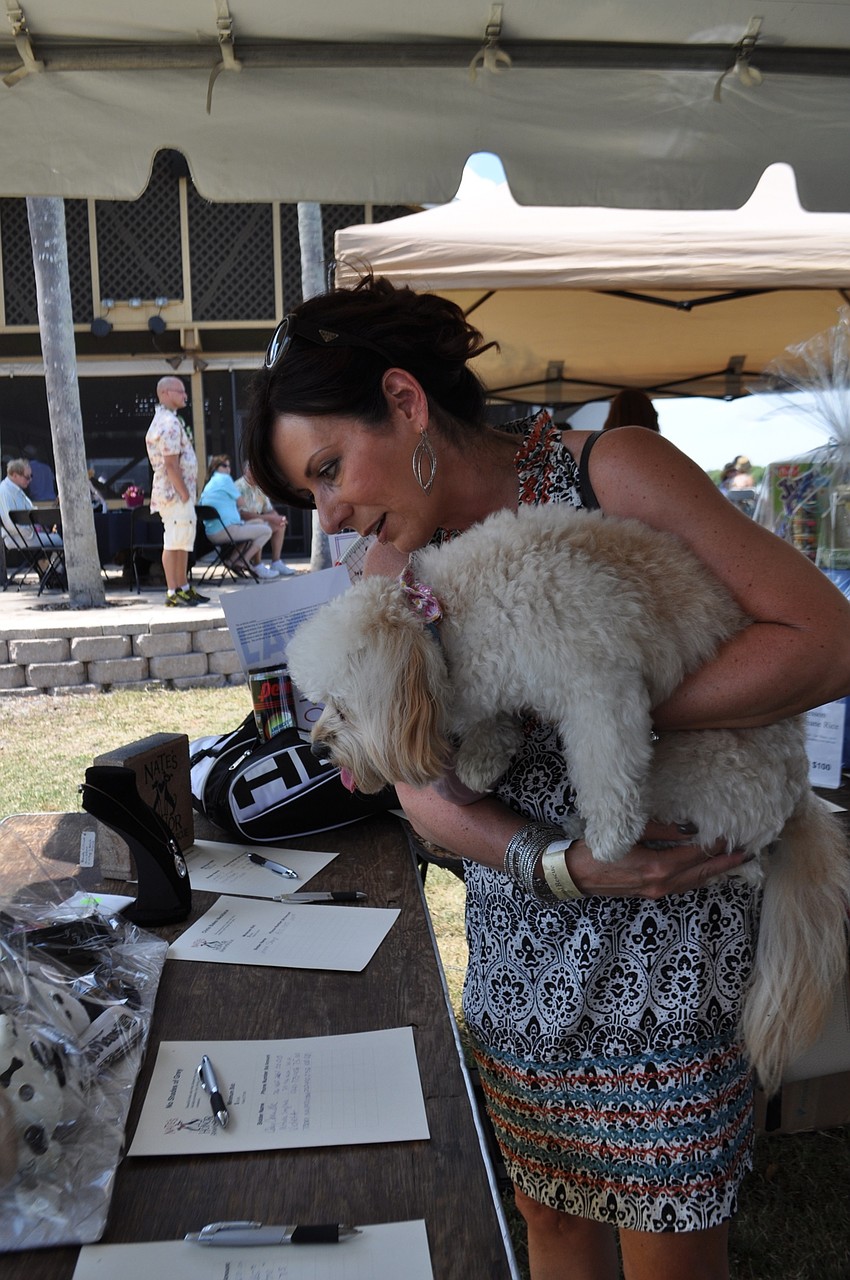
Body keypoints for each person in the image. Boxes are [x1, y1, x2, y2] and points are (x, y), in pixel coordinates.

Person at [241, 278, 850, 1280]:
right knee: (547, 1215)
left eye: (330, 468)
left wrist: (594, 691)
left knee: (667, 1235)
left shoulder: (612, 469)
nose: (334, 511)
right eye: (312, 493)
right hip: (524, 941)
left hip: (671, 938)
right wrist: (552, 861)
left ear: (404, 400)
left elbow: (822, 641)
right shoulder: (393, 569)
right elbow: (418, 786)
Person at [145, 376, 208, 607]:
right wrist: (183, 493)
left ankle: (182, 586)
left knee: (182, 540)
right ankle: (173, 590)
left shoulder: (170, 420)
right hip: (174, 494)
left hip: (179, 493)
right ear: (165, 393)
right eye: (180, 391)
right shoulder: (168, 424)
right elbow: (171, 464)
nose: (185, 395)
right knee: (173, 539)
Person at [199, 455, 278, 579]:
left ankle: (231, 561)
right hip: (226, 530)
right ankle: (243, 561)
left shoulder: (210, 483)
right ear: (216, 467)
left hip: (213, 532)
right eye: (224, 465)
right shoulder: (225, 479)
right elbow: (241, 503)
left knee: (259, 522)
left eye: (229, 465)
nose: (228, 469)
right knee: (266, 530)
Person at [0, 457, 65, 585]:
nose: (30, 480)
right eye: (27, 477)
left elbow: (31, 511)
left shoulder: (13, 489)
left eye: (31, 476)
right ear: (14, 475)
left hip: (23, 535)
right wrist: (32, 531)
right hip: (21, 537)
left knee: (57, 539)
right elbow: (9, 522)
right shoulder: (6, 491)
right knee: (66, 541)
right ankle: (54, 574)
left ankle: (49, 572)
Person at [235, 463, 295, 575]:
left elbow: (269, 509)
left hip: (256, 521)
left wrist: (278, 518)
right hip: (241, 525)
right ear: (246, 471)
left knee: (279, 525)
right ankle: (257, 565)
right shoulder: (239, 487)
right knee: (261, 526)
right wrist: (270, 517)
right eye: (254, 470)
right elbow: (243, 514)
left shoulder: (259, 487)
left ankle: (276, 562)